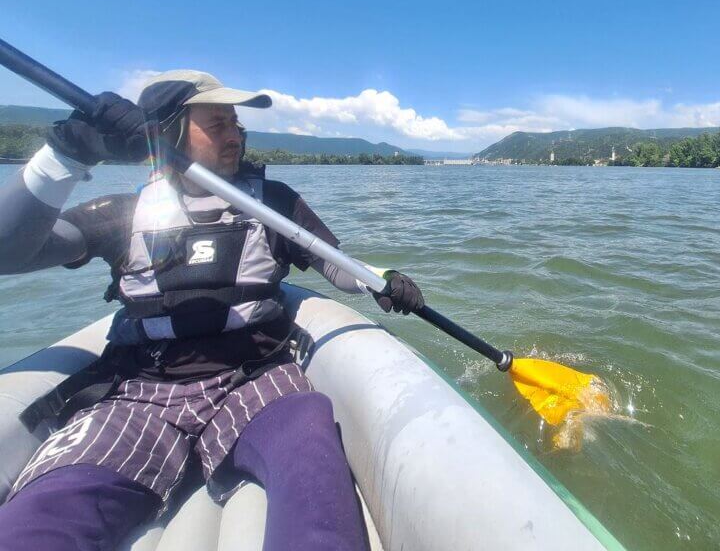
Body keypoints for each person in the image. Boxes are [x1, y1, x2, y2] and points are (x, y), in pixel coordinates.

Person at [0, 70, 424, 551]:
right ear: (170, 132)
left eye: (236, 123)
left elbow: (337, 266)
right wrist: (67, 152)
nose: (236, 135)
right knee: (38, 522)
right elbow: (8, 253)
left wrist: (380, 280)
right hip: (140, 391)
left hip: (258, 379)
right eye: (217, 123)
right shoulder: (122, 213)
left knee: (312, 449)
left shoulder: (274, 203)